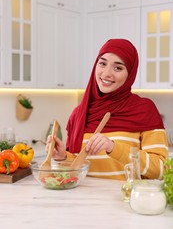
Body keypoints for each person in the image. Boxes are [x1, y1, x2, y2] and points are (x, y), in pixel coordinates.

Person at [46, 39, 168, 180]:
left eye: (118, 68)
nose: (106, 73)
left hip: (127, 199)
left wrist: (113, 147)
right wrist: (62, 157)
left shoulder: (144, 110)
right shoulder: (79, 113)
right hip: (84, 200)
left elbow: (161, 169)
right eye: (102, 63)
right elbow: (76, 171)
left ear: (130, 74)